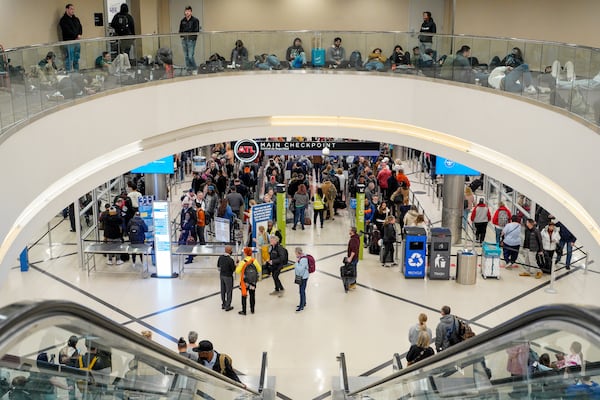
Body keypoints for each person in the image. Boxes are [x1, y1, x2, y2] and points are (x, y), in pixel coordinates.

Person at [235, 247, 261, 315]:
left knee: (244, 295)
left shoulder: (242, 262)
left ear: (245, 253)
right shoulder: (254, 260)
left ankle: (244, 311)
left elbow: (237, 271)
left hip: (244, 282)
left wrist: (237, 265)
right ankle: (252, 310)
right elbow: (259, 269)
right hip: (252, 281)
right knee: (252, 295)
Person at [59, 3, 82, 72]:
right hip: (69, 42)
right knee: (69, 59)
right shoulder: (63, 20)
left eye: (73, 9)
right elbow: (67, 30)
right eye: (71, 9)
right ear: (67, 9)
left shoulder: (76, 19)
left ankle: (76, 73)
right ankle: (69, 74)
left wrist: (79, 34)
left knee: (76, 59)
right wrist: (75, 36)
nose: (73, 10)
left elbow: (80, 27)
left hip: (77, 42)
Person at [179, 5, 200, 73]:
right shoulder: (182, 21)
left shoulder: (195, 20)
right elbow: (180, 31)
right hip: (184, 40)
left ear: (191, 12)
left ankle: (194, 69)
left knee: (190, 56)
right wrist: (182, 36)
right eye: (186, 11)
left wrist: (190, 36)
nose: (187, 12)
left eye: (188, 11)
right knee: (186, 56)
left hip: (191, 40)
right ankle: (189, 70)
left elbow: (196, 31)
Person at [217, 245, 236, 312]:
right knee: (229, 291)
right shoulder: (230, 260)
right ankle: (228, 306)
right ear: (230, 251)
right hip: (228, 277)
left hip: (221, 275)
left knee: (222, 290)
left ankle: (223, 304)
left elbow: (218, 267)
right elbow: (233, 269)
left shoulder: (220, 257)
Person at [294, 247, 309, 312]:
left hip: (303, 277)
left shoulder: (303, 260)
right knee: (302, 290)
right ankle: (304, 302)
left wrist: (296, 263)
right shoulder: (302, 258)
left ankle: (301, 306)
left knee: (301, 291)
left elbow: (300, 269)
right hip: (303, 276)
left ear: (298, 253)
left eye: (295, 253)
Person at [345, 227, 360, 291]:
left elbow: (354, 250)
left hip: (353, 258)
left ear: (352, 231)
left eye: (350, 230)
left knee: (352, 271)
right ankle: (353, 283)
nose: (349, 231)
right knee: (353, 270)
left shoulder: (353, 240)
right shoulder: (356, 237)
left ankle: (352, 284)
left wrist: (350, 258)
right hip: (355, 258)